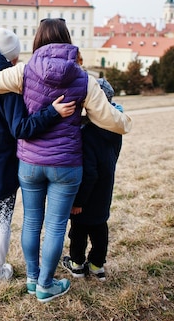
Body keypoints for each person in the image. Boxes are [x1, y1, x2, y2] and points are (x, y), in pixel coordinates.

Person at [0, 18, 132, 302]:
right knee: (56, 227)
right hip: (66, 166)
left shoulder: (23, 71)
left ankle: (33, 280)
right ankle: (46, 284)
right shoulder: (83, 78)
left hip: (30, 164)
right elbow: (108, 119)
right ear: (68, 39)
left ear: (37, 41)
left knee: (32, 222)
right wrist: (125, 121)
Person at [0, 28, 75, 289]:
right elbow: (21, 128)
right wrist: (52, 113)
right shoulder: (9, 86)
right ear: (10, 57)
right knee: (3, 218)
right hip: (3, 162)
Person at [61, 77, 123, 282]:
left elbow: (89, 173)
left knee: (78, 231)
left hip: (86, 195)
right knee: (100, 229)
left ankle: (77, 264)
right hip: (105, 191)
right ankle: (97, 265)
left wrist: (78, 201)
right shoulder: (115, 128)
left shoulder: (88, 134)